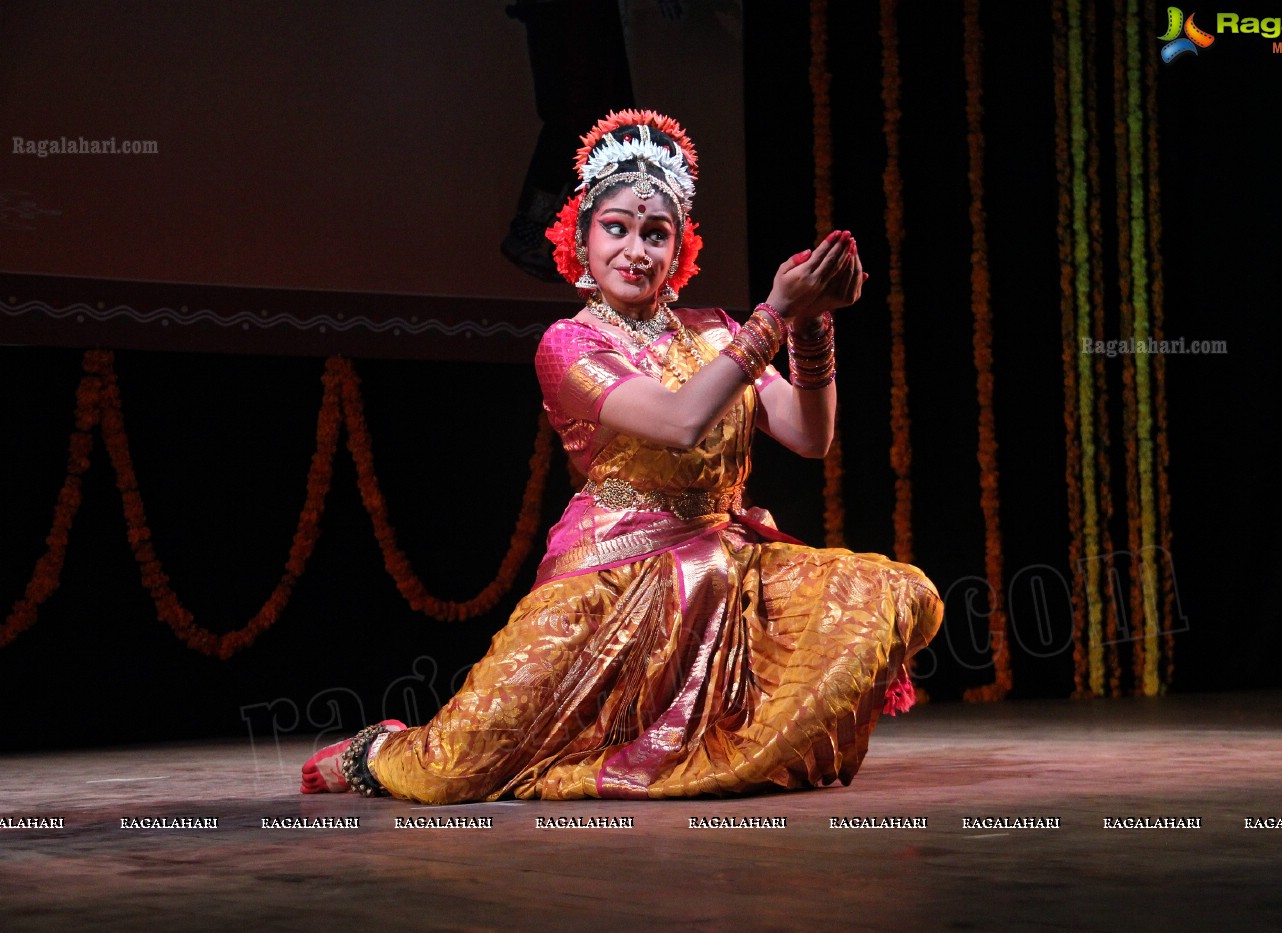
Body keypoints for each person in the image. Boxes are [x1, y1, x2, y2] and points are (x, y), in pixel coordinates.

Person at [301, 110, 944, 803]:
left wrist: (812, 320)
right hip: (608, 577)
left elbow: (808, 436)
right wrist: (774, 316)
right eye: (616, 227)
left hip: (726, 568)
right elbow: (679, 420)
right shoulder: (568, 346)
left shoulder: (715, 334)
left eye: (655, 233)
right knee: (455, 769)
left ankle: (718, 749)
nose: (635, 249)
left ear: (678, 251)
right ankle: (377, 750)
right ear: (580, 238)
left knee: (897, 591)